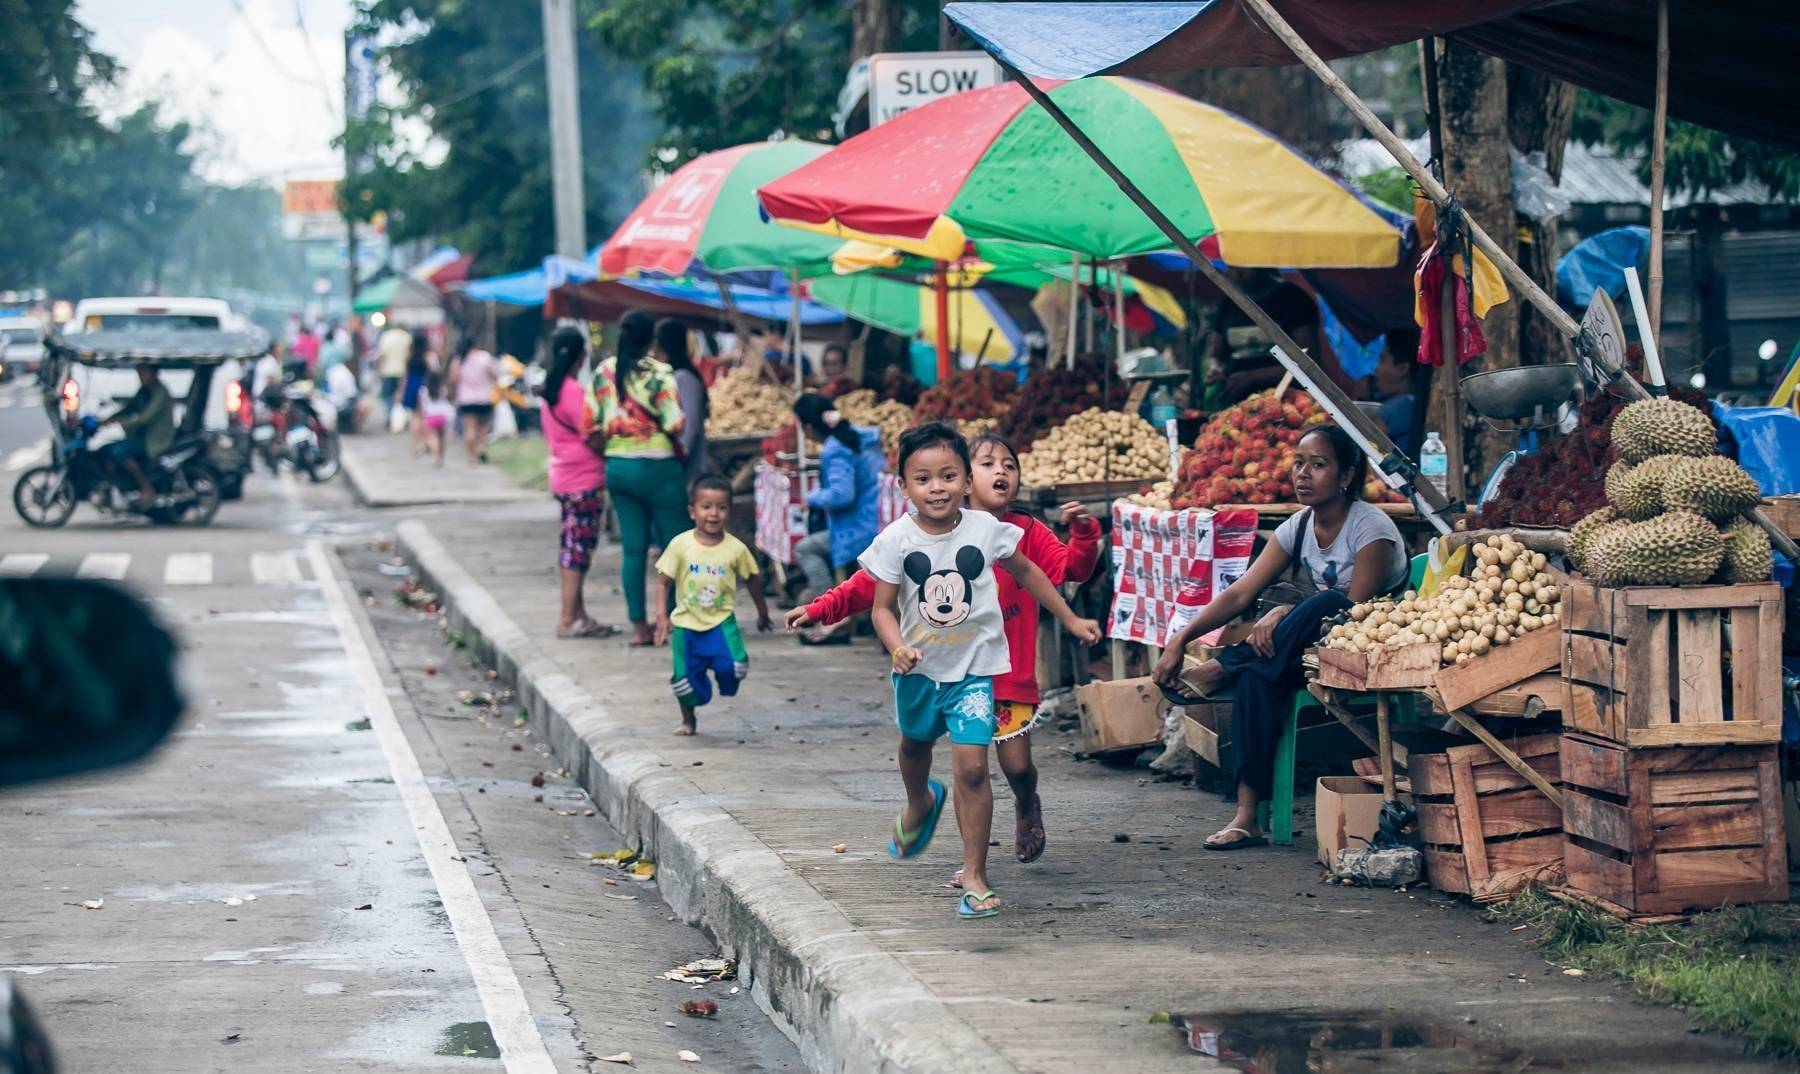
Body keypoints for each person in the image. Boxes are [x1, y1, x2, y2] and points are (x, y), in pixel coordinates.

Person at [788, 434, 1102, 868]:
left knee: (1008, 767)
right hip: (935, 670)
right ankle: (956, 845)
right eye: (990, 464)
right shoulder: (910, 536)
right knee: (947, 759)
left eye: (1009, 465)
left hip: (1001, 672)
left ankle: (1014, 819)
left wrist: (1083, 542)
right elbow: (869, 589)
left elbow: (1067, 570)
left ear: (961, 480)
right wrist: (822, 608)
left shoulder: (1020, 532)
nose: (1002, 473)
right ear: (968, 481)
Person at [860, 422, 1101, 920]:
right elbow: (881, 607)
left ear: (965, 481)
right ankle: (918, 804)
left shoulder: (987, 530)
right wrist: (897, 646)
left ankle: (975, 875)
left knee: (972, 768)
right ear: (903, 487)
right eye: (923, 479)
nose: (938, 488)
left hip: (974, 673)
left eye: (948, 476)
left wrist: (1071, 617)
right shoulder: (896, 540)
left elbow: (1030, 572)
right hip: (920, 673)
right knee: (914, 744)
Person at [1153, 424, 1409, 851]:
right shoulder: (1300, 525)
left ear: (1345, 476)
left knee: (1324, 602)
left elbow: (1355, 611)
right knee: (1259, 680)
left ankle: (1226, 666)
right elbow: (1240, 592)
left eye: (1319, 465)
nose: (1302, 474)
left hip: (1373, 649)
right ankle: (1247, 816)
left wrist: (1285, 611)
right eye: (1299, 463)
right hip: (1311, 649)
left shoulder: (1372, 529)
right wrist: (1182, 637)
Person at [593, 310, 689, 646]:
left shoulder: (602, 371)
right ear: (651, 339)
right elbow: (675, 422)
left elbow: (591, 422)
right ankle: (677, 621)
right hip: (659, 469)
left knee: (633, 551)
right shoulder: (661, 372)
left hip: (619, 467)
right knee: (676, 546)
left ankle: (639, 627)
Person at [654, 475, 773, 736]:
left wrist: (762, 612)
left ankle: (724, 681)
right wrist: (661, 616)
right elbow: (663, 583)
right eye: (706, 506)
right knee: (684, 683)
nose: (713, 514)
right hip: (686, 625)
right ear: (692, 511)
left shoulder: (736, 549)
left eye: (721, 507)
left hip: (721, 623)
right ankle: (689, 720)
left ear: (729, 511)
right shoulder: (680, 545)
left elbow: (752, 579)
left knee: (735, 666)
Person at [539, 325, 617, 639]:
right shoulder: (573, 392)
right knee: (579, 548)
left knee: (572, 545)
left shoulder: (551, 390)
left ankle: (578, 614)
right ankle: (568, 617)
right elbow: (592, 435)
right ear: (581, 355)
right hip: (583, 479)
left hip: (563, 477)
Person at [789, 393, 884, 607]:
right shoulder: (859, 435)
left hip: (858, 529)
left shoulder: (836, 449)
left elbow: (842, 495)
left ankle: (828, 606)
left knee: (805, 548)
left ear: (808, 428)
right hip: (877, 518)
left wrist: (812, 498)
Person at [105, 364, 174, 505]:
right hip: (142, 437)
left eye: (144, 373)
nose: (141, 377)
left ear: (154, 373)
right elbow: (130, 407)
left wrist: (122, 422)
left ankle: (146, 487)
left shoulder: (160, 392)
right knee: (107, 450)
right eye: (139, 373)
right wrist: (107, 419)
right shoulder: (144, 391)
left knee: (120, 452)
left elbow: (146, 417)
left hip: (155, 440)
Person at [654, 318, 710, 482]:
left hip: (685, 469)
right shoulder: (671, 377)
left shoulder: (684, 378)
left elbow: (690, 427)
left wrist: (677, 459)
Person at [450, 339, 497, 464]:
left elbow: (453, 379)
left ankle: (472, 457)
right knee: (484, 427)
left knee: (470, 428)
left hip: (466, 399)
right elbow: (492, 374)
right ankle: (481, 448)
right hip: (484, 397)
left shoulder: (459, 360)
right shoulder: (484, 357)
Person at [403, 331, 437, 457]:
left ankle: (416, 444)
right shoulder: (428, 356)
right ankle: (425, 442)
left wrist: (401, 391)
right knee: (425, 417)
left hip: (411, 387)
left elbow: (405, 376)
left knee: (414, 417)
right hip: (425, 387)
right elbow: (434, 373)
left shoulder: (410, 356)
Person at [377, 322, 412, 418]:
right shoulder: (407, 337)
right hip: (403, 371)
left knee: (387, 396)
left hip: (387, 371)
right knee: (401, 395)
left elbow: (382, 355)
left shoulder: (386, 336)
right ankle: (400, 417)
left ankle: (390, 415)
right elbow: (409, 356)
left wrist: (378, 369)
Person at [420, 371, 452, 466]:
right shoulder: (442, 390)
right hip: (442, 417)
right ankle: (441, 456)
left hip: (430, 417)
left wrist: (423, 417)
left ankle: (435, 456)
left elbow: (423, 406)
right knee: (441, 438)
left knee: (433, 438)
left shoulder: (423, 391)